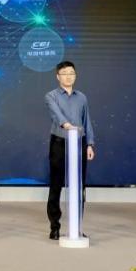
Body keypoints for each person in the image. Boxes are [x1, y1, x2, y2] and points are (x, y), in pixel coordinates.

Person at [44, 61, 95, 240]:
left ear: (75, 75)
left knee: (79, 186)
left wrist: (90, 144)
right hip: (59, 142)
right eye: (64, 73)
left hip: (79, 143)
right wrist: (67, 125)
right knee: (56, 185)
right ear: (58, 76)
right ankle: (55, 226)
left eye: (71, 73)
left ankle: (77, 226)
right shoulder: (51, 96)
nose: (68, 76)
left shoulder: (82, 97)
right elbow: (56, 114)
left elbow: (87, 120)